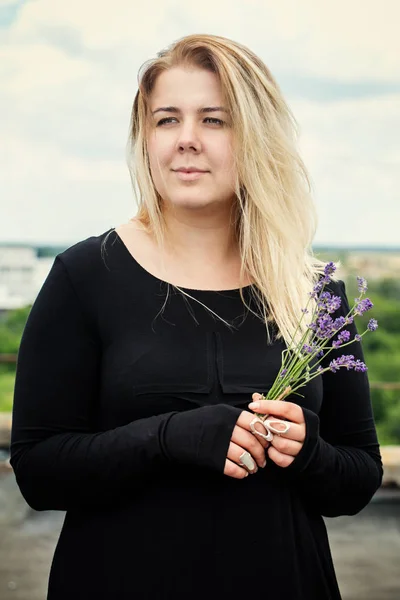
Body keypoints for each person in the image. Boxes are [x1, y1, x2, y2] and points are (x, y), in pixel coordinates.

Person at [10, 33, 382, 600]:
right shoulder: (84, 275)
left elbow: (356, 480)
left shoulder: (314, 292)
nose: (186, 140)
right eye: (166, 120)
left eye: (214, 120)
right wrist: (166, 437)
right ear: (145, 137)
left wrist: (308, 450)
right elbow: (38, 471)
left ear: (256, 137)